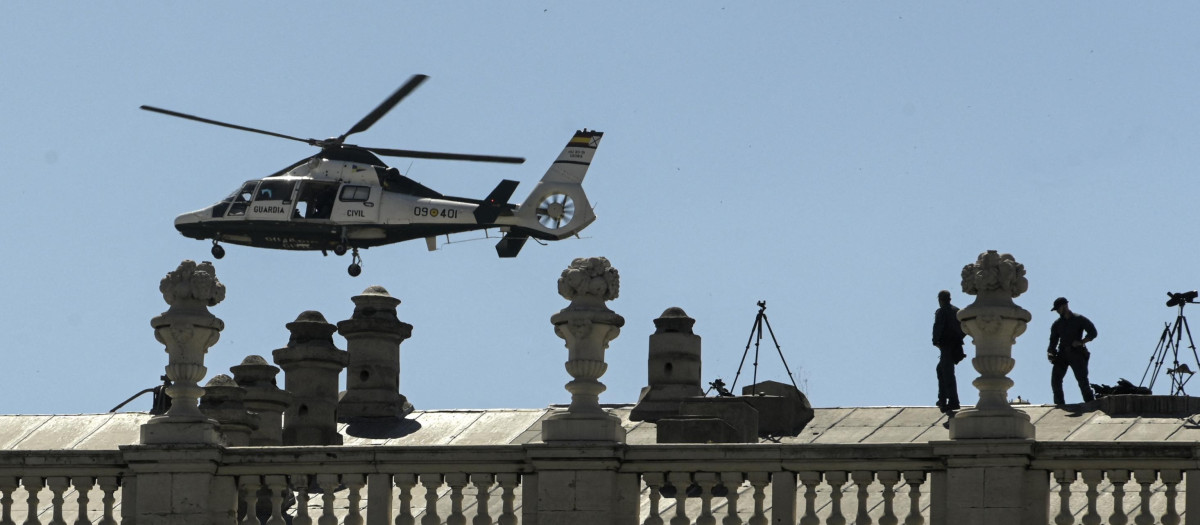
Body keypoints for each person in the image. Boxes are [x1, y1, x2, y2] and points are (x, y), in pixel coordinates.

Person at [1047, 297, 1097, 405]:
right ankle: (1059, 405)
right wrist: (1051, 352)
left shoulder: (1079, 319)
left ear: (1064, 306)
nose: (1057, 312)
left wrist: (1082, 342)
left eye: (1058, 309)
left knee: (1082, 380)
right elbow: (1053, 341)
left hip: (1076, 353)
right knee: (1055, 380)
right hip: (1062, 354)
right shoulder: (1057, 324)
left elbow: (1093, 332)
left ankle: (1090, 404)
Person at [932, 290, 967, 413]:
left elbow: (938, 329)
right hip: (953, 346)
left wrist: (937, 341)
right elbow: (965, 329)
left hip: (946, 346)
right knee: (942, 370)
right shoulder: (957, 311)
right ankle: (943, 399)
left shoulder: (942, 312)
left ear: (940, 300)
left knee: (947, 373)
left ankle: (952, 401)